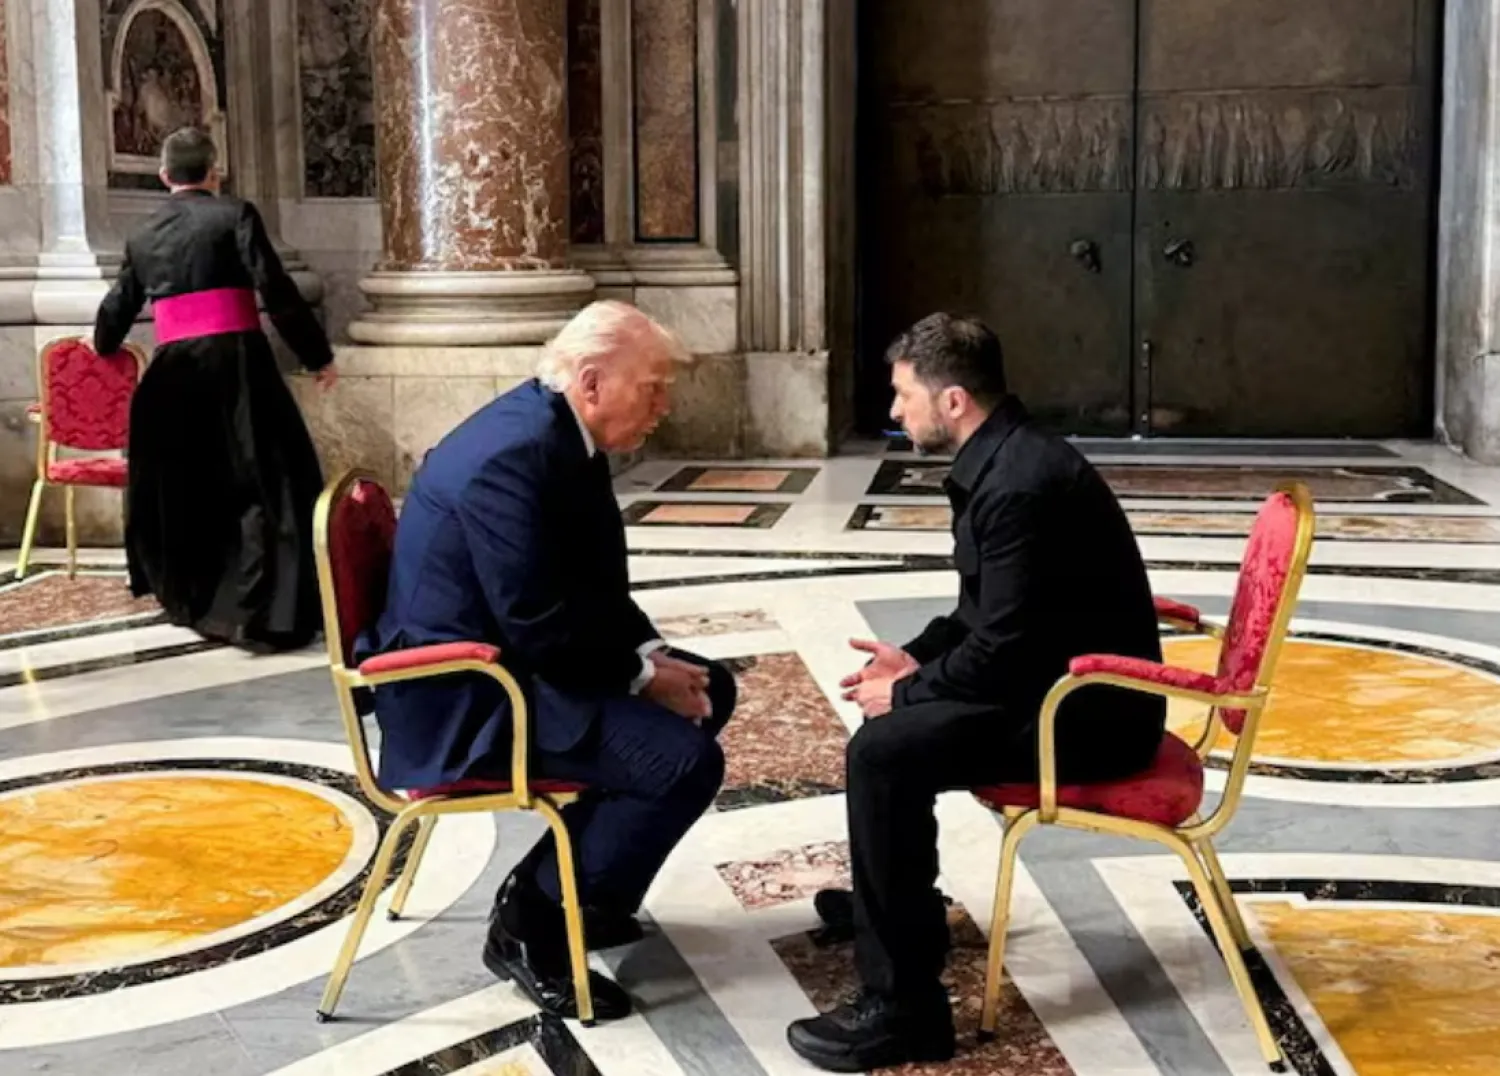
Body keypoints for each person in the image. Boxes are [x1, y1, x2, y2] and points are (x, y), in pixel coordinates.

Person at [787, 313, 1166, 1071]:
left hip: (1089, 716)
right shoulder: (1008, 463)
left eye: (903, 396)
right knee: (892, 738)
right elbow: (981, 616)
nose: (895, 412)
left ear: (952, 400)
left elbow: (1004, 649)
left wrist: (910, 692)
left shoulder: (1020, 485)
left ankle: (905, 1012)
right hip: (1056, 686)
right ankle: (898, 915)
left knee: (885, 752)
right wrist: (913, 659)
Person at [359, 300, 737, 1022]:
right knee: (681, 764)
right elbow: (536, 620)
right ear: (592, 381)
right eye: (653, 385)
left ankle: (588, 892)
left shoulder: (560, 431)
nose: (666, 403)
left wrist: (651, 654)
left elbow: (589, 586)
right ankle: (530, 919)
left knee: (711, 691)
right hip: (464, 694)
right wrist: (642, 677)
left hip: (515, 659)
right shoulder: (514, 455)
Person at [93, 126, 337, 652]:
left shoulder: (142, 235)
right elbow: (275, 290)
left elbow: (116, 308)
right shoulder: (235, 215)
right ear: (214, 172)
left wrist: (103, 345)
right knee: (266, 483)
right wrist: (317, 354)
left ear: (164, 177)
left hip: (174, 373)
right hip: (239, 366)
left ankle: (196, 599)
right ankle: (262, 611)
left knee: (190, 489)